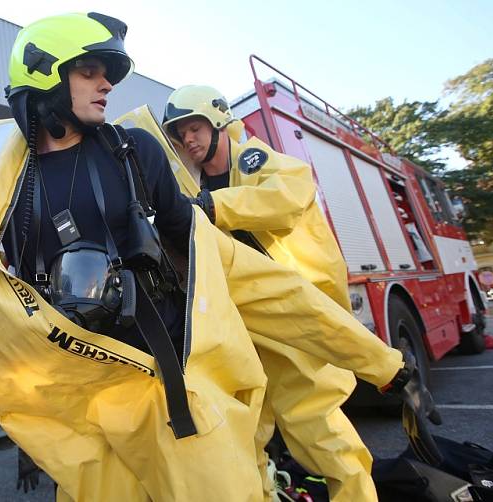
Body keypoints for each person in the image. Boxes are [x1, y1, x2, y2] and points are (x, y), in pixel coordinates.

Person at [0, 13, 436, 502]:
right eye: (89, 69)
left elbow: (247, 276)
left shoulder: (133, 156)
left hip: (173, 405)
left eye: (108, 72)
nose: (107, 83)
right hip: (77, 434)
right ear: (44, 75)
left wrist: (380, 361)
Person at [159, 85, 375, 501]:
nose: (189, 139)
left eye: (195, 127)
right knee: (245, 433)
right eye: (181, 133)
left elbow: (289, 196)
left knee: (318, 425)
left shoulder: (252, 161)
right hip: (246, 321)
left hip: (293, 315)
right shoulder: (194, 184)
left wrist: (212, 206)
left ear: (219, 119)